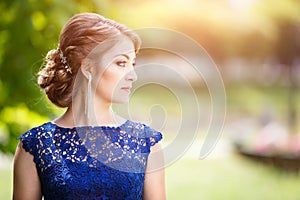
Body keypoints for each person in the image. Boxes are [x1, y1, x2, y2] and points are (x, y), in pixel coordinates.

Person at [13, 12, 165, 200]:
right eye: (121, 63)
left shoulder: (146, 142)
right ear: (88, 68)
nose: (133, 75)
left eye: (132, 64)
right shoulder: (35, 145)